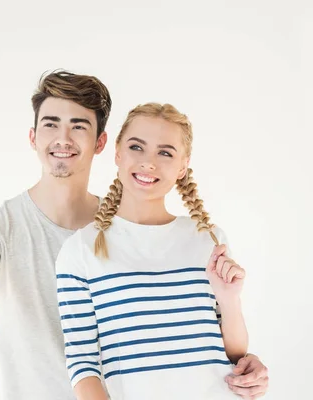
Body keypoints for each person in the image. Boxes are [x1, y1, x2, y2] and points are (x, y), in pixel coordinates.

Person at [0, 71, 269, 400]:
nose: (63, 138)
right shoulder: (3, 229)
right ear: (32, 137)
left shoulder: (142, 226)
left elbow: (201, 336)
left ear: (101, 143)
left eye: (78, 126)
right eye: (50, 124)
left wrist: (242, 361)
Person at [55, 102, 257, 400]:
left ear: (183, 166)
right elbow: (82, 364)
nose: (149, 162)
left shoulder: (208, 240)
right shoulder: (80, 251)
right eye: (137, 147)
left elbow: (236, 352)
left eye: (165, 152)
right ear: (118, 154)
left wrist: (229, 300)